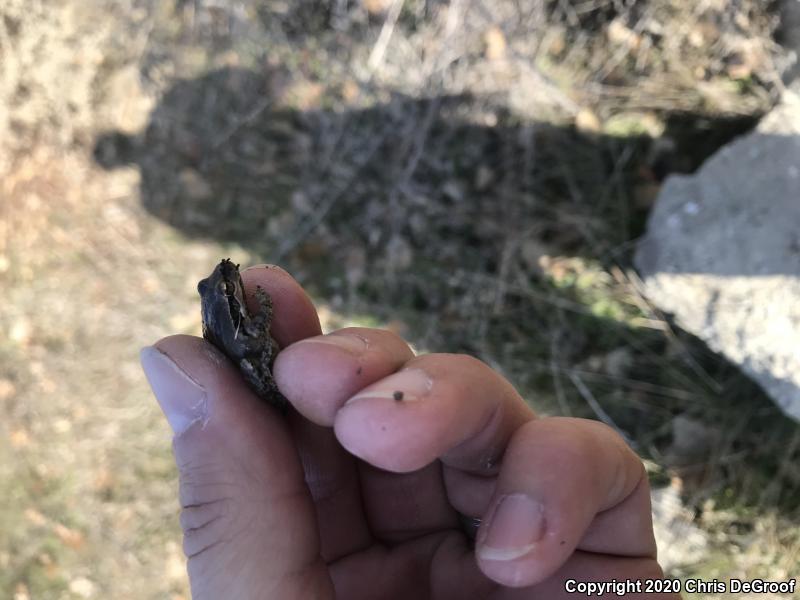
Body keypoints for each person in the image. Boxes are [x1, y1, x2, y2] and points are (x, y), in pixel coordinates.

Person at [140, 264, 678, 599]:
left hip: (290, 401)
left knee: (361, 396)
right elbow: (253, 332)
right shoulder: (230, 323)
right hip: (269, 394)